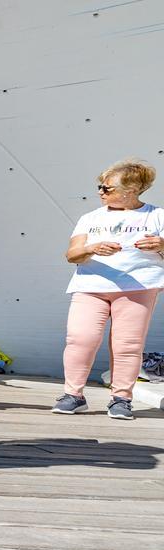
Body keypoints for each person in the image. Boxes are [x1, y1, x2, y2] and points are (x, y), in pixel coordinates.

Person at [54, 159, 163, 420]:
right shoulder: (90, 218)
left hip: (138, 286)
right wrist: (92, 248)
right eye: (100, 187)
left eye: (107, 188)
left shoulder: (157, 215)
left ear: (132, 189)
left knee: (127, 345)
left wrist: (161, 244)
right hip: (91, 286)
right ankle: (73, 395)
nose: (101, 192)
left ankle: (121, 399)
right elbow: (72, 254)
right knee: (81, 338)